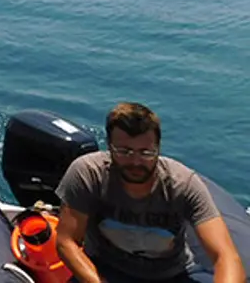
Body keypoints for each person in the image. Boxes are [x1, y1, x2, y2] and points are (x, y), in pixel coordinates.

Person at [55, 102, 244, 283]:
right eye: (124, 151)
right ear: (109, 147)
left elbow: (225, 256)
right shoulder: (87, 174)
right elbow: (66, 241)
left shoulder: (183, 185)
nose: (135, 162)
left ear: (158, 148)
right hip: (106, 268)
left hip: (170, 276)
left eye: (145, 153)